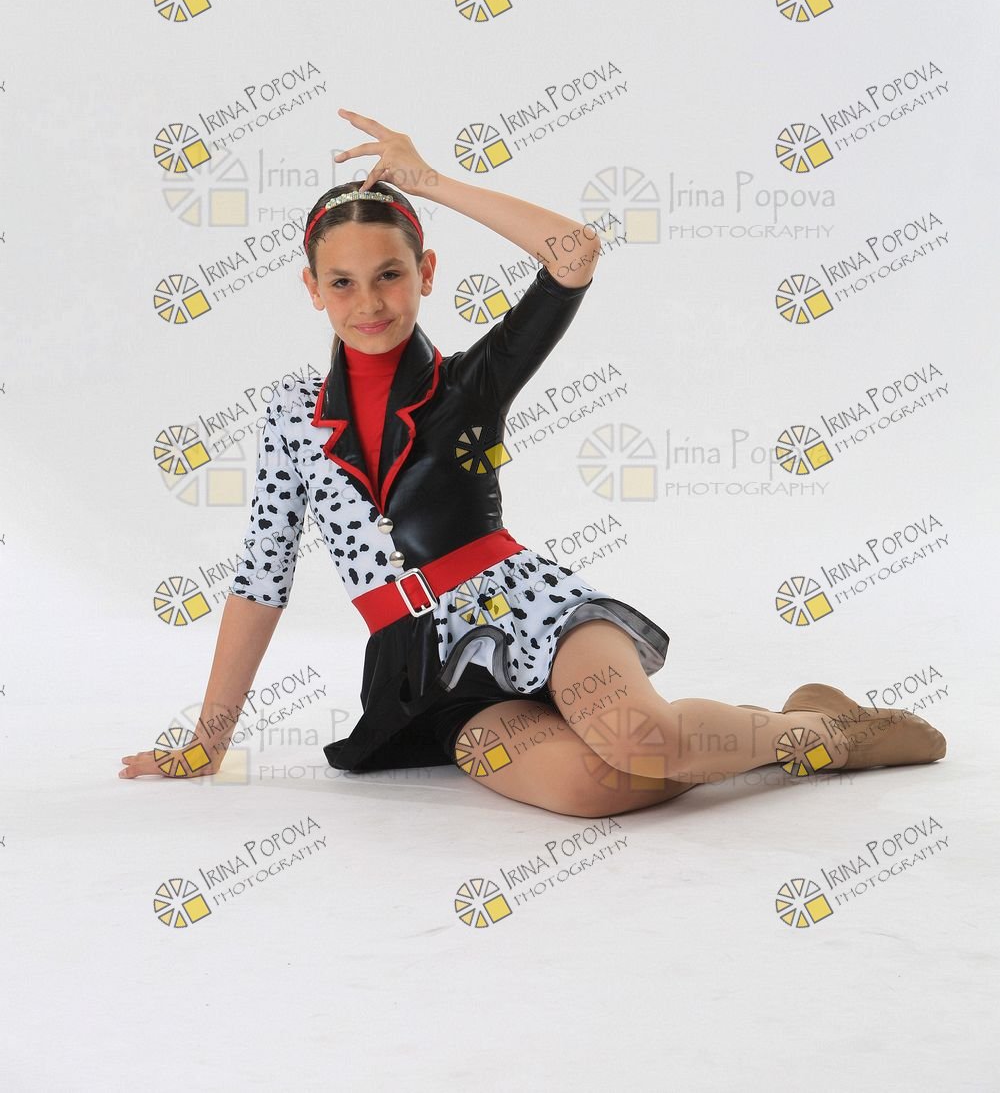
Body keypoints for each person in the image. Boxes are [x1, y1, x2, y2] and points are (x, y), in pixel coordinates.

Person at [120, 109, 947, 814]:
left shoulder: (469, 384)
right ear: (312, 290)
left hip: (535, 612)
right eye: (341, 283)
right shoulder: (291, 414)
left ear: (425, 273)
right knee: (595, 787)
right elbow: (261, 576)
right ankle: (746, 735)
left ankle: (820, 730)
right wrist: (208, 740)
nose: (368, 302)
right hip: (429, 671)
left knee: (642, 741)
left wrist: (429, 182)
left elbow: (573, 252)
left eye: (389, 275)